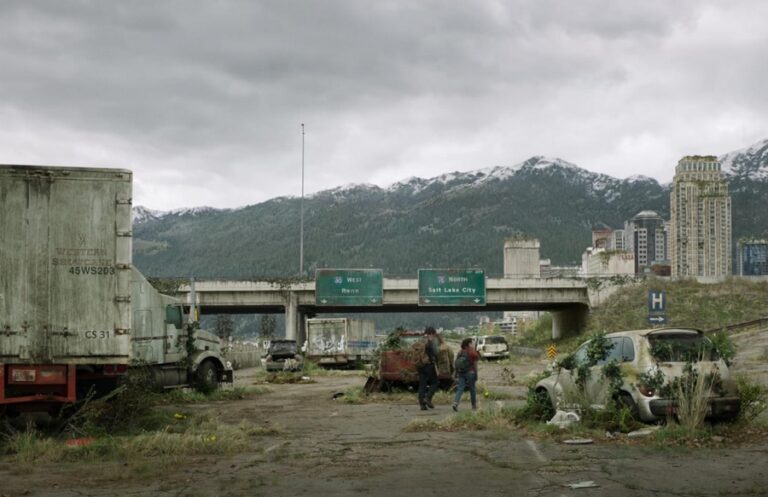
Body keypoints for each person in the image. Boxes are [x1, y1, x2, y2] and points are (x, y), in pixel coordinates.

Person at [452, 338, 480, 411]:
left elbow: (456, 364)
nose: (473, 344)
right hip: (470, 373)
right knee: (472, 389)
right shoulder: (473, 352)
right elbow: (475, 365)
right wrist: (476, 374)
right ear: (469, 344)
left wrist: (455, 373)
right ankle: (473, 406)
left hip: (461, 372)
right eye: (472, 343)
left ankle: (455, 403)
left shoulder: (460, 352)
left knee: (460, 388)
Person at [417, 326, 440, 410]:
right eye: (434, 333)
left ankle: (422, 405)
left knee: (422, 385)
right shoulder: (431, 340)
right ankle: (428, 398)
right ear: (432, 333)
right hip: (429, 365)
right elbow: (435, 352)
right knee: (435, 382)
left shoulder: (420, 340)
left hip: (420, 366)